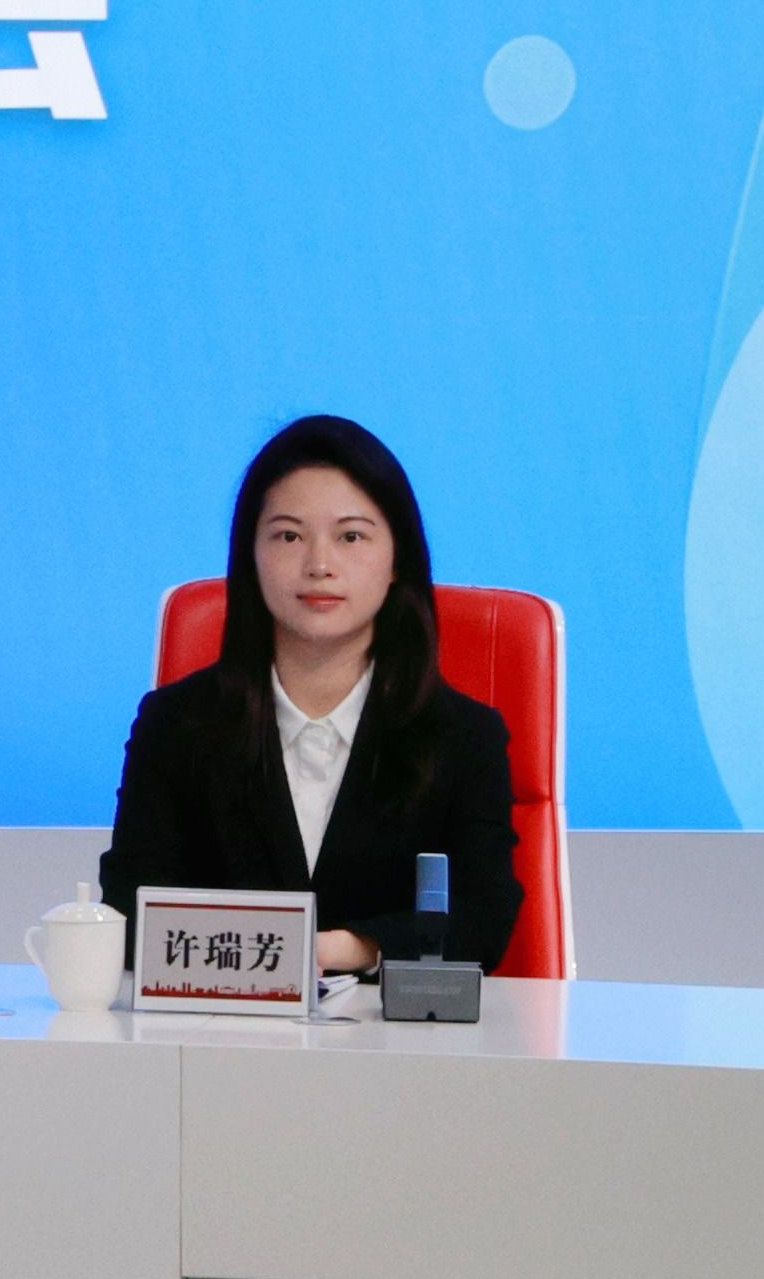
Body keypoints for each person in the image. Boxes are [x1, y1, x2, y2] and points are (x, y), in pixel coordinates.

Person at [99, 414, 525, 974]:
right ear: (250, 558)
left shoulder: (463, 737)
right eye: (289, 536)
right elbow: (132, 911)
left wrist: (339, 950)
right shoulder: (177, 725)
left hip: (393, 1027)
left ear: (397, 558)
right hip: (222, 1025)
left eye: (351, 536)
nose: (319, 565)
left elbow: (483, 918)